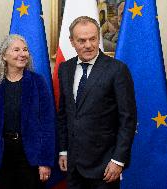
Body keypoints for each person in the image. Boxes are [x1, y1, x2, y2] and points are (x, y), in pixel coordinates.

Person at [57, 16, 137, 189]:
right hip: (74, 165)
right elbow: (64, 113)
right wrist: (63, 150)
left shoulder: (117, 70)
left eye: (93, 39)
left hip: (105, 166)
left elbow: (128, 119)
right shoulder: (65, 69)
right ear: (72, 42)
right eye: (82, 40)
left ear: (99, 38)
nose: (88, 45)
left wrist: (118, 160)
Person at [0, 34, 55, 189]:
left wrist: (45, 161)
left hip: (31, 155)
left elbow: (48, 124)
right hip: (2, 155)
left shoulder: (37, 82)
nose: (23, 54)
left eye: (25, 50)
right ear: (4, 56)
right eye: (16, 50)